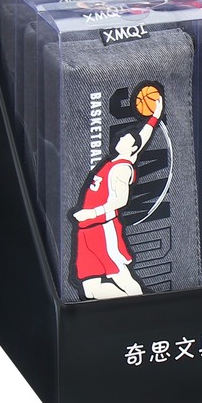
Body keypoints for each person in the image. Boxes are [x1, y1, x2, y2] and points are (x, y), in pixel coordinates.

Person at [71, 95, 163, 299]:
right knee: (90, 289)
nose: (120, 139)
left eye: (125, 140)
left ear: (131, 148)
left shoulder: (121, 168)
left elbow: (121, 200)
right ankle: (130, 308)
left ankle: (145, 307)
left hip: (102, 228)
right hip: (87, 229)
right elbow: (142, 137)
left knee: (122, 276)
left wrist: (92, 213)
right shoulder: (118, 161)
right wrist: (154, 117)